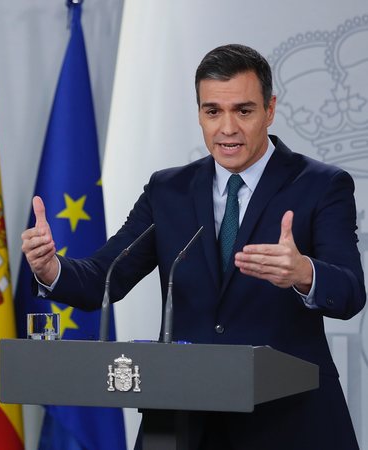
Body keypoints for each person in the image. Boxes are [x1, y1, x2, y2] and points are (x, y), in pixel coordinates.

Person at [22, 44, 365, 449]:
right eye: (212, 111)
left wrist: (305, 273)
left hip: (288, 422)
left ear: (269, 110)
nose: (227, 129)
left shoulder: (321, 185)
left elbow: (349, 293)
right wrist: (50, 270)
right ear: (199, 112)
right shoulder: (169, 190)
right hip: (182, 424)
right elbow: (104, 277)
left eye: (244, 110)